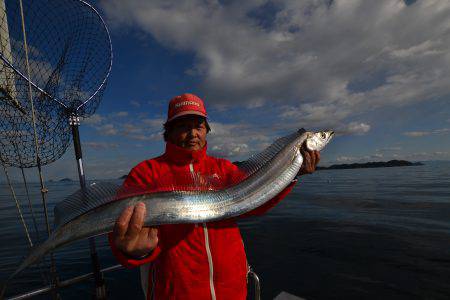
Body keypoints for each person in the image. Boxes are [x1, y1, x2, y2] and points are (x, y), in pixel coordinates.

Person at [109, 93, 320, 300]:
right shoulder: (146, 173)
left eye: (199, 126)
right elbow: (121, 234)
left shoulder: (224, 169)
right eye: (183, 126)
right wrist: (134, 252)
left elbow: (256, 202)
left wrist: (291, 174)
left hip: (233, 291)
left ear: (206, 130)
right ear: (169, 132)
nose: (193, 133)